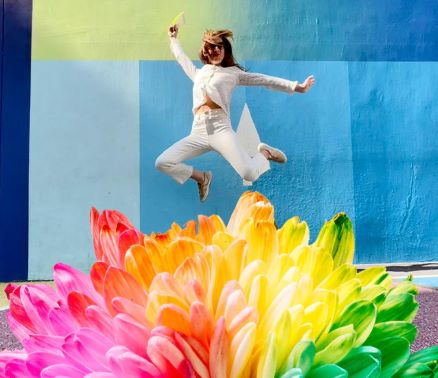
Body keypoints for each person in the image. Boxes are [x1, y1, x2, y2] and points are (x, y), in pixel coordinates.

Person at [155, 26, 315, 202]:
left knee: (249, 174)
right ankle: (202, 178)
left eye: (219, 47)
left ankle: (265, 153)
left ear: (225, 50)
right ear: (205, 51)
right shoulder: (199, 73)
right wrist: (174, 40)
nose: (215, 50)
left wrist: (295, 86)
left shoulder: (233, 74)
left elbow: (264, 79)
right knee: (162, 162)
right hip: (198, 131)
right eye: (211, 47)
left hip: (220, 129)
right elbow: (182, 59)